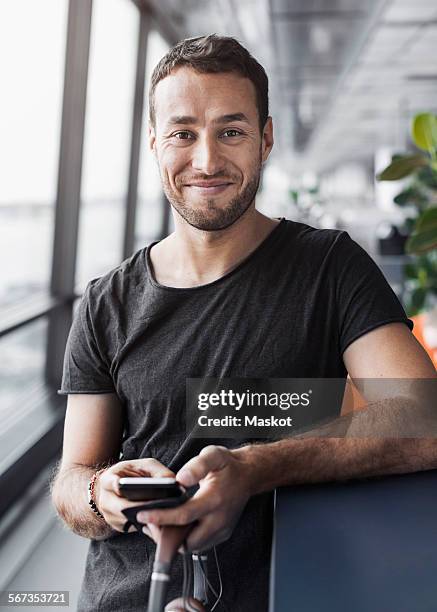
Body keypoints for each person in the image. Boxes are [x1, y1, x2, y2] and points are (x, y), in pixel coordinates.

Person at [51, 34, 437, 612]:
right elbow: (71, 480)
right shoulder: (107, 301)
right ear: (155, 143)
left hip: (288, 591)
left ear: (266, 139)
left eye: (231, 131)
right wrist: (98, 494)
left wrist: (253, 467)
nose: (206, 160)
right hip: (130, 596)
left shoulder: (329, 267)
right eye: (183, 133)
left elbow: (423, 418)